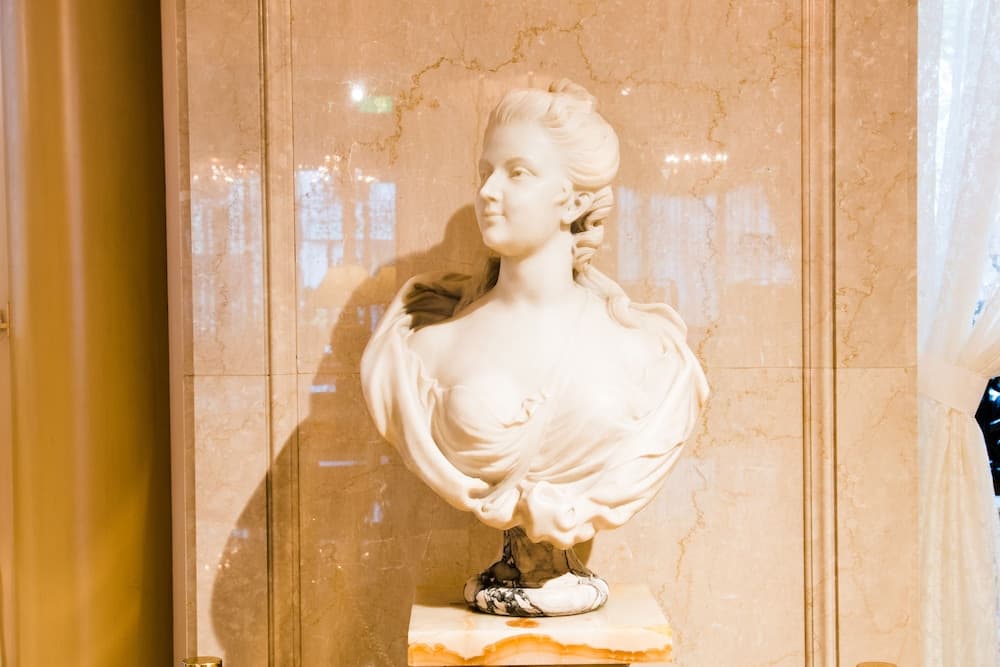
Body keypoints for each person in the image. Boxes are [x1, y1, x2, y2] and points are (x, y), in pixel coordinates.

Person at [361, 78, 708, 559]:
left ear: (575, 200)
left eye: (517, 173)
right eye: (485, 172)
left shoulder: (652, 356)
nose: (488, 191)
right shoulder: (421, 350)